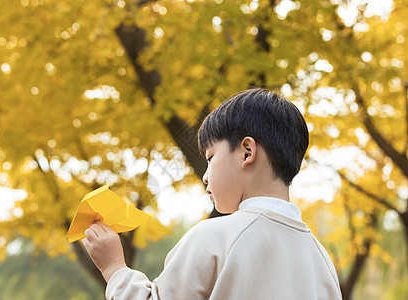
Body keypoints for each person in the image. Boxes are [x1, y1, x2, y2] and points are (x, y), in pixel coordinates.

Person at [83, 88, 342, 299]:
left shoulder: (213, 238)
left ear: (247, 153)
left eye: (210, 158)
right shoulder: (321, 259)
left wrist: (114, 268)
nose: (206, 175)